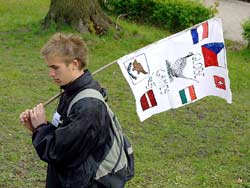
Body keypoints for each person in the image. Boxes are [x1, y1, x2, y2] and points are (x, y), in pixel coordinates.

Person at [19, 33, 128, 188]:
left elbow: (59, 153)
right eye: (49, 68)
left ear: (74, 64)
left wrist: (41, 128)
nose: (51, 74)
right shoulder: (69, 91)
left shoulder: (88, 106)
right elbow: (67, 135)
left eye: (55, 68)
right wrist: (37, 128)